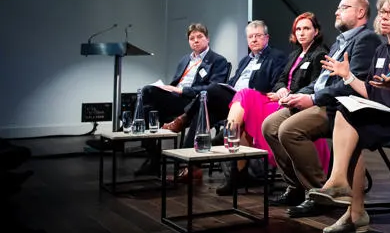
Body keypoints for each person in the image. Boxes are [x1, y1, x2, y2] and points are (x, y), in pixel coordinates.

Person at [307, 0, 390, 233]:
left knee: (356, 127)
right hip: (387, 115)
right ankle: (346, 196)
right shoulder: (381, 50)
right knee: (345, 108)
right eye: (383, 13)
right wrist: (347, 76)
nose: (385, 18)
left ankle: (352, 208)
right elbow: (370, 92)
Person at [262, 0, 382, 218]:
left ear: (360, 13)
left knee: (289, 130)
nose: (336, 12)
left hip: (337, 108)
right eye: (337, 8)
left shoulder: (366, 39)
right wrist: (298, 95)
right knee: (269, 125)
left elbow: (349, 85)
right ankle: (296, 186)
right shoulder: (340, 42)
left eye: (343, 7)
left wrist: (314, 99)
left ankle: (319, 192)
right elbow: (320, 82)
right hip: (319, 100)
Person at [215, 12, 331, 196]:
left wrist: (290, 94)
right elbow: (281, 80)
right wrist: (281, 89)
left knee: (246, 95)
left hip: (297, 104)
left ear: (315, 31)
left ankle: (228, 134)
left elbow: (317, 85)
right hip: (281, 100)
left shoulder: (319, 54)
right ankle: (234, 165)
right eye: (298, 29)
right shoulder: (295, 55)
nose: (301, 33)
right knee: (244, 97)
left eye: (306, 29)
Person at [163, 20, 287, 180]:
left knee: (211, 91)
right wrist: (225, 88)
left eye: (258, 36)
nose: (254, 40)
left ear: (267, 38)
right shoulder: (245, 60)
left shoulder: (276, 57)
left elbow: (276, 82)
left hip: (254, 100)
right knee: (204, 110)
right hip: (234, 101)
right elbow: (233, 82)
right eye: (250, 37)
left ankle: (185, 121)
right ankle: (192, 166)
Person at [133, 23, 229, 176]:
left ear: (208, 39)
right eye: (192, 38)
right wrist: (168, 89)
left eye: (199, 37)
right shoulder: (185, 60)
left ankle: (156, 159)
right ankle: (152, 154)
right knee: (147, 95)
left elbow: (213, 89)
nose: (195, 41)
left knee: (148, 103)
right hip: (175, 98)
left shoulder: (218, 61)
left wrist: (183, 90)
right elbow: (176, 82)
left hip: (193, 101)